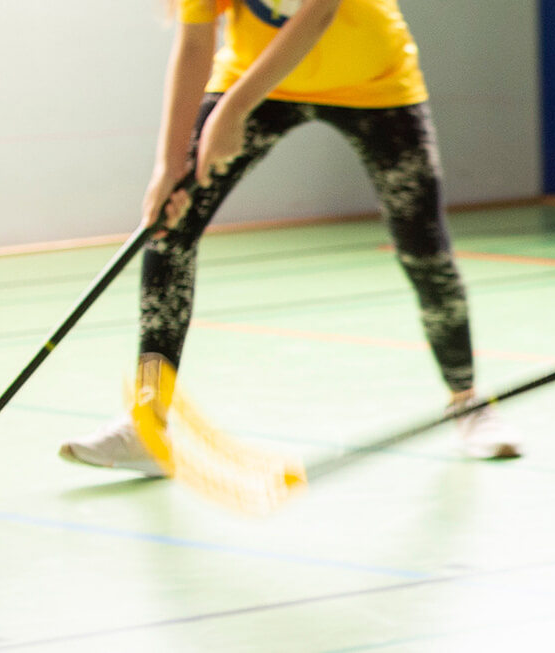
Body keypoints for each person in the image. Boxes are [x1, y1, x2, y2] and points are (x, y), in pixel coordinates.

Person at [60, 0, 520, 474]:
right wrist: (168, 165)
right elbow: (195, 41)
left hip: (374, 84)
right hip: (255, 76)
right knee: (169, 227)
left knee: (423, 248)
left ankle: (468, 403)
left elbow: (319, 13)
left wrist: (233, 109)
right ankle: (148, 425)